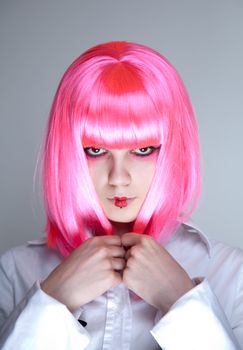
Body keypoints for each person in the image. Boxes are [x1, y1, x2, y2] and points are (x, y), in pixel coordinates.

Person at [0, 41, 242, 350]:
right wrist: (53, 300)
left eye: (142, 150)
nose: (118, 178)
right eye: (96, 150)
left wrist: (182, 301)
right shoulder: (13, 271)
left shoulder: (232, 274)